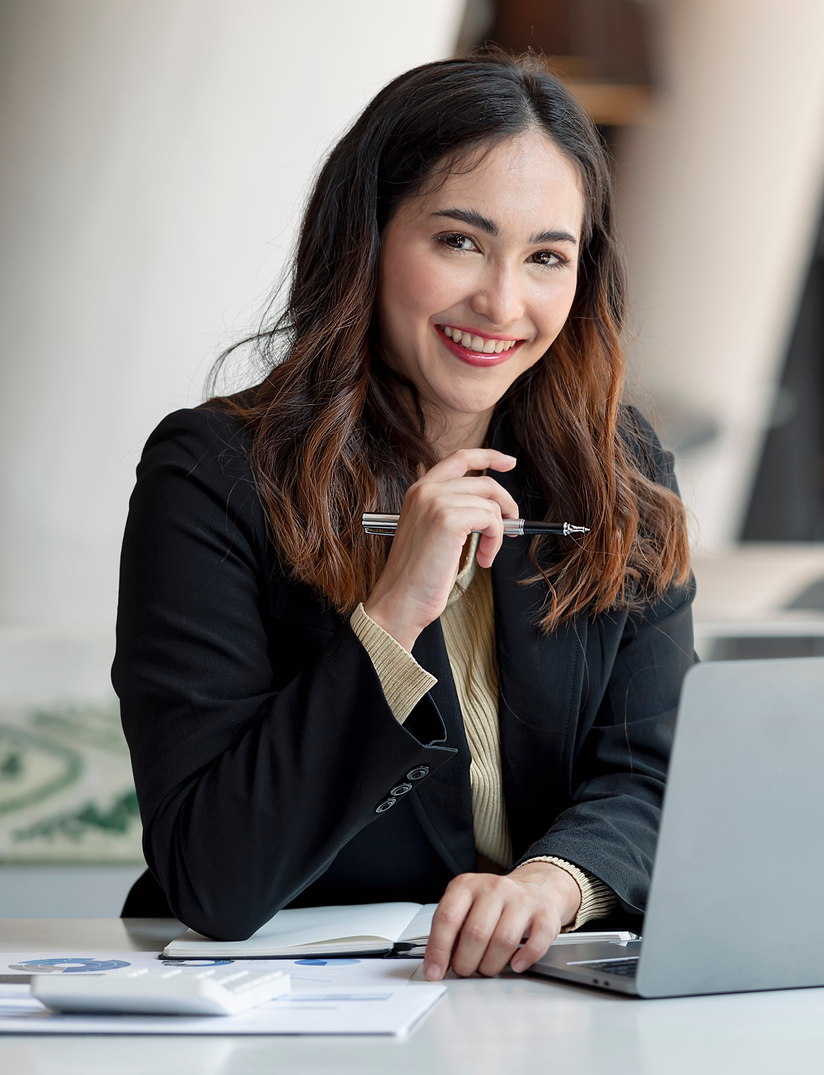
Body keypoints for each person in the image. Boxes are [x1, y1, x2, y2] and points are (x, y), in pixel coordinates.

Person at [113, 54, 695, 982]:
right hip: (296, 1010)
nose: (503, 303)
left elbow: (661, 772)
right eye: (459, 241)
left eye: (547, 256)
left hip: (544, 1003)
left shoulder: (617, 469)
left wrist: (554, 883)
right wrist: (392, 616)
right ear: (369, 238)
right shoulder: (212, 475)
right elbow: (212, 873)